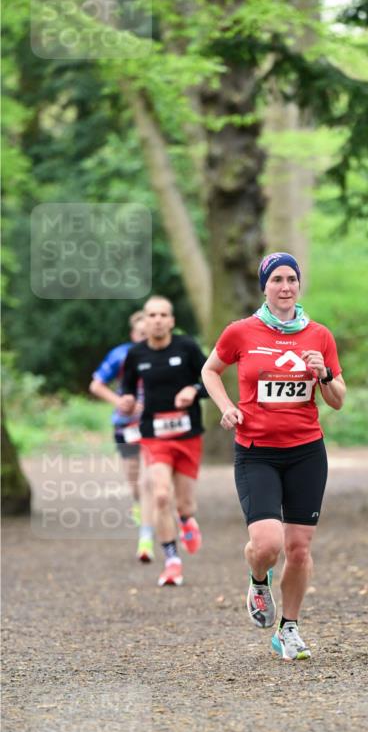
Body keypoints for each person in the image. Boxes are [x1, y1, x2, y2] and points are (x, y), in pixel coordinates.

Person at [201, 251, 345, 661]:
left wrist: (324, 374)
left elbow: (337, 400)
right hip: (256, 453)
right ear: (264, 286)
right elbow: (210, 370)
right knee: (267, 545)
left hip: (306, 453)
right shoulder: (241, 332)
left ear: (299, 285)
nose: (285, 287)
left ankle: (289, 629)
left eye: (291, 279)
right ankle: (258, 577)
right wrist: (226, 406)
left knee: (298, 548)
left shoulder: (319, 336)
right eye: (277, 280)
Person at [118, 296, 207, 587]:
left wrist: (194, 391)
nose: (157, 320)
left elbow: (209, 380)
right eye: (152, 315)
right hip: (154, 435)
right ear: (144, 321)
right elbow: (128, 388)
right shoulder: (136, 354)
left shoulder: (187, 347)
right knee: (160, 495)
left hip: (187, 434)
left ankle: (186, 520)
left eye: (162, 315)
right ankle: (172, 561)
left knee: (184, 503)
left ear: (171, 321)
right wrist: (127, 400)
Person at [89, 311, 154, 562]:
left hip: (155, 425)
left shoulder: (163, 354)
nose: (144, 337)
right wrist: (120, 403)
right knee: (134, 479)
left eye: (148, 333)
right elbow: (96, 385)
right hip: (126, 426)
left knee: (150, 478)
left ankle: (147, 536)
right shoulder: (120, 355)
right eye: (140, 333)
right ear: (132, 334)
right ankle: (139, 503)